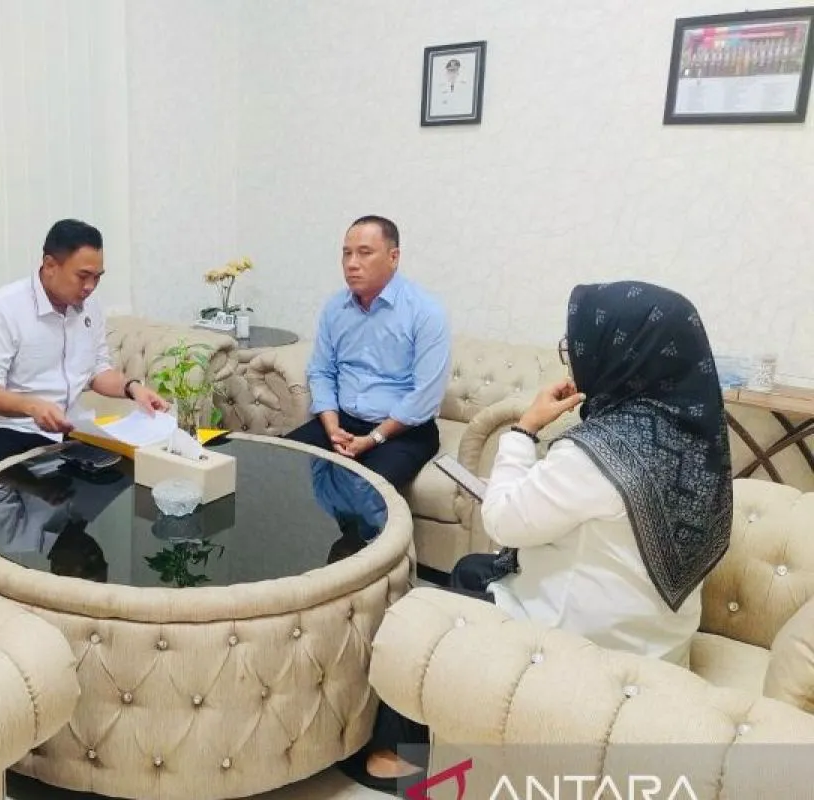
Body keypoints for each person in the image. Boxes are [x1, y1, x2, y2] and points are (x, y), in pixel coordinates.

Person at [345, 280, 734, 791]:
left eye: (577, 347)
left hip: (586, 643)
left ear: (621, 354)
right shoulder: (696, 437)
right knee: (471, 570)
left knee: (430, 605)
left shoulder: (599, 454)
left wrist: (524, 430)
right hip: (660, 638)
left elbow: (502, 519)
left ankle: (401, 759)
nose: (572, 358)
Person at [0, 219, 169, 472]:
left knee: (128, 476)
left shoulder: (91, 306)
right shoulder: (1, 308)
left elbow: (98, 370)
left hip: (69, 427)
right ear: (50, 265)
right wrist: (32, 406)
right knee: (24, 490)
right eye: (82, 276)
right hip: (8, 429)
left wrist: (132, 388)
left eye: (97, 277)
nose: (90, 287)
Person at [287, 215, 451, 491]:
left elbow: (425, 395)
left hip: (403, 432)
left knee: (361, 493)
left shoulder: (425, 312)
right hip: (342, 423)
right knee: (278, 465)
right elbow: (321, 371)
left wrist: (373, 438)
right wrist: (332, 428)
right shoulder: (335, 308)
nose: (352, 264)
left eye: (364, 253)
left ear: (393, 257)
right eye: (346, 253)